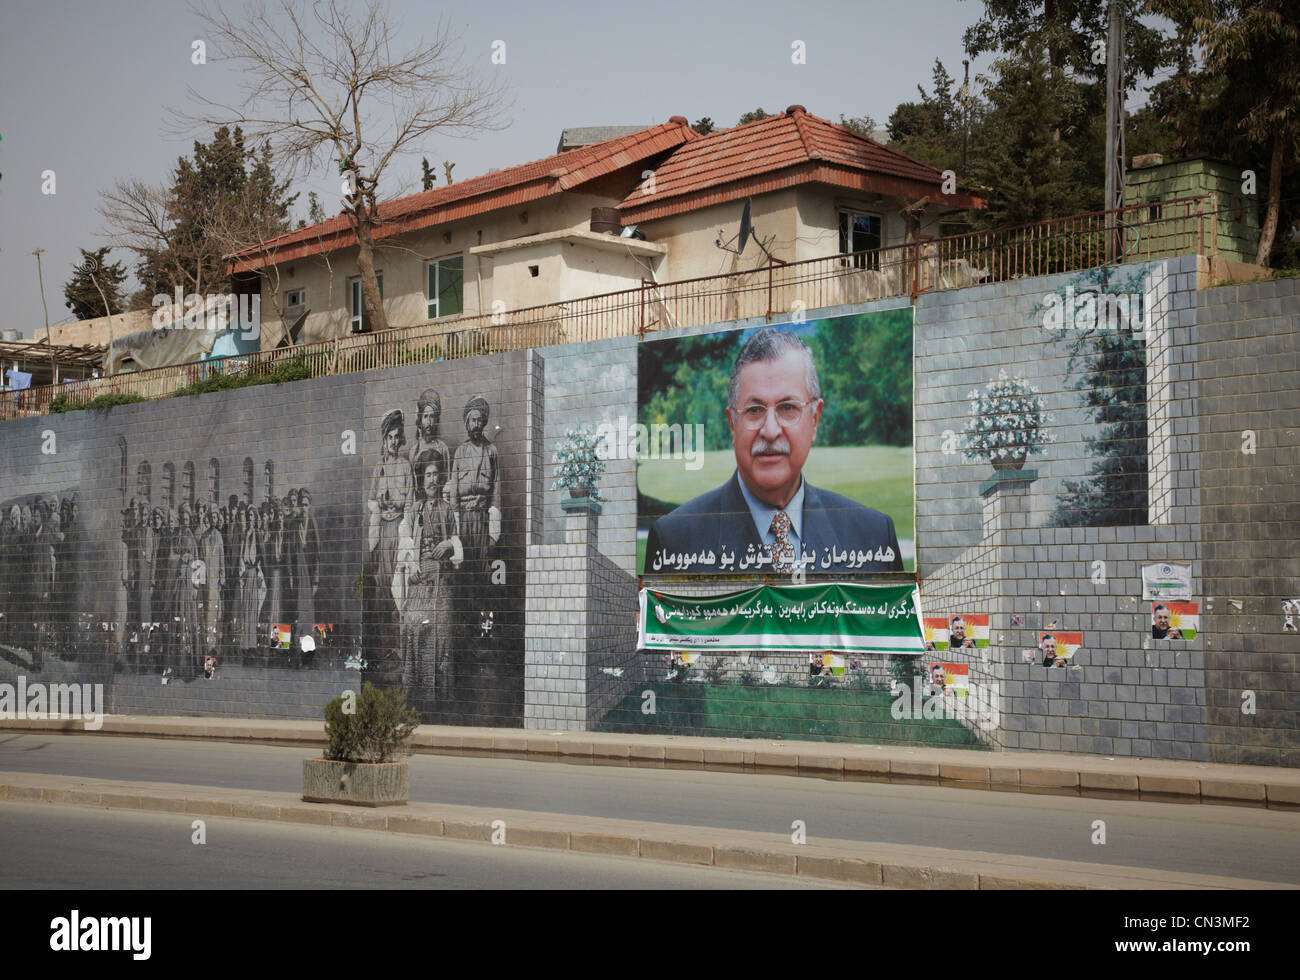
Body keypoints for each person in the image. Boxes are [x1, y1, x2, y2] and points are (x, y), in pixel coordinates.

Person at [644, 328, 903, 574]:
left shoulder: (875, 538)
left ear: (814, 419)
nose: (770, 431)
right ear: (733, 424)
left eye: (787, 408)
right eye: (754, 410)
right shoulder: (674, 542)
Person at [397, 450, 461, 700]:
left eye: (436, 474)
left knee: (441, 630)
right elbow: (405, 541)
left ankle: (440, 696)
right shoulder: (414, 510)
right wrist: (412, 564)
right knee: (413, 626)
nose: (433, 479)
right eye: (428, 475)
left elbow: (457, 546)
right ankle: (415, 693)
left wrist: (449, 544)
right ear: (422, 480)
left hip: (441, 577)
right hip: (419, 576)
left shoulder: (448, 510)